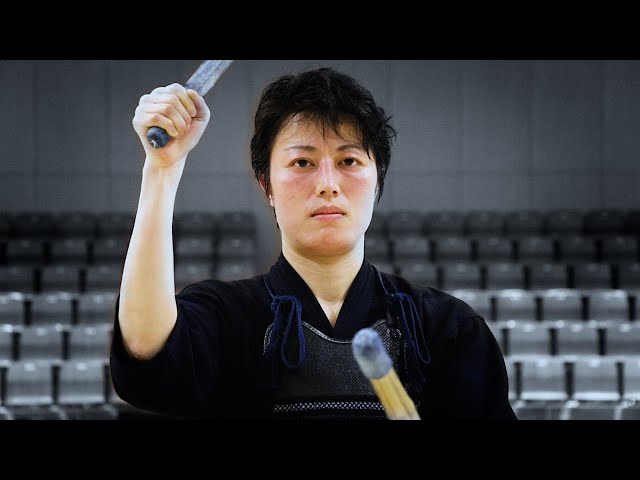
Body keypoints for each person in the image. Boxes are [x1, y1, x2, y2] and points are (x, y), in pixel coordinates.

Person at [110, 65, 517, 420]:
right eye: (302, 162)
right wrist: (162, 168)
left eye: (349, 161)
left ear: (377, 181)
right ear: (266, 185)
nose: (327, 185)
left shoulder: (447, 330)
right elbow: (147, 347)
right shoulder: (223, 320)